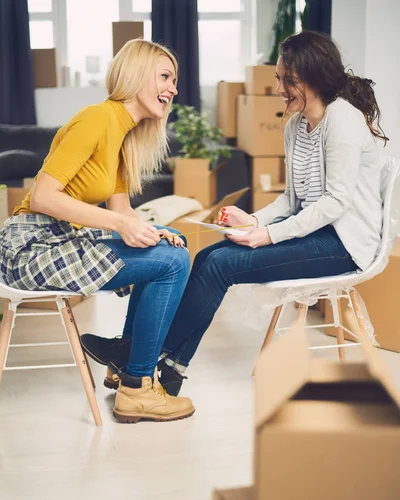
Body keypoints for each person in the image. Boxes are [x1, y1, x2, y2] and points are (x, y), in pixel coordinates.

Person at [83, 30, 387, 397]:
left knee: (220, 265)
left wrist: (270, 234)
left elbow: (335, 203)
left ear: (312, 77)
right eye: (278, 78)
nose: (279, 89)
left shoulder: (342, 119)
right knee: (210, 254)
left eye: (287, 80)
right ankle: (170, 368)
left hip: (344, 242)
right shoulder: (295, 125)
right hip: (315, 233)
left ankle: (137, 356)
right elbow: (292, 200)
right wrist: (254, 220)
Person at [0, 39, 195, 423]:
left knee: (175, 246)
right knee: (172, 264)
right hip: (31, 246)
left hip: (62, 241)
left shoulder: (122, 139)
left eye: (175, 80)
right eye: (165, 77)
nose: (173, 89)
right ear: (136, 75)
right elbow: (42, 196)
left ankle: (124, 360)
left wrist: (154, 229)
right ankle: (137, 385)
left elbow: (123, 213)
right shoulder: (96, 119)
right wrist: (122, 224)